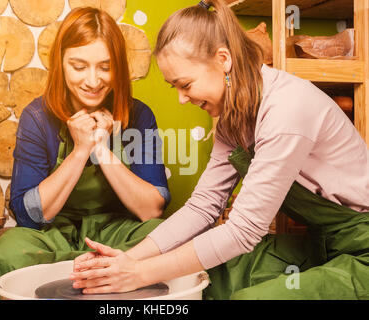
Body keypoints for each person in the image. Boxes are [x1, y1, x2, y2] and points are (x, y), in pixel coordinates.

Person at [69, 0, 369, 299]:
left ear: (223, 59)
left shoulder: (286, 109)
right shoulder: (233, 118)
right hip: (323, 243)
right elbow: (203, 207)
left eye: (185, 84)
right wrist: (129, 260)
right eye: (174, 87)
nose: (182, 99)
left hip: (363, 251)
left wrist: (139, 274)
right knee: (205, 275)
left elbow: (242, 231)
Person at [0, 7, 170, 300]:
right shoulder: (37, 116)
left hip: (116, 231)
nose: (93, 81)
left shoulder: (140, 115)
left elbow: (152, 209)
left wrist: (103, 151)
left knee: (164, 236)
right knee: (6, 251)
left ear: (119, 67)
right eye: (79, 67)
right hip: (52, 234)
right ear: (61, 64)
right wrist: (81, 150)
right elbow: (28, 215)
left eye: (105, 67)